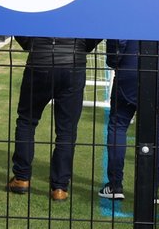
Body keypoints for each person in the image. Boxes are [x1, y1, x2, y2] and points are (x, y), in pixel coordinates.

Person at [6, 37, 101, 201]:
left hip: (40, 60)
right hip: (73, 62)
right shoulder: (80, 10)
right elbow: (96, 31)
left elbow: (20, 24)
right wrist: (81, 46)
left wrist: (32, 44)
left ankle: (21, 178)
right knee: (66, 130)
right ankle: (59, 187)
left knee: (27, 121)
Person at [99, 40, 159, 203]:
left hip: (131, 71)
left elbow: (118, 40)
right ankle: (151, 191)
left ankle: (115, 185)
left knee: (118, 125)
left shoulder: (128, 13)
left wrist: (114, 61)